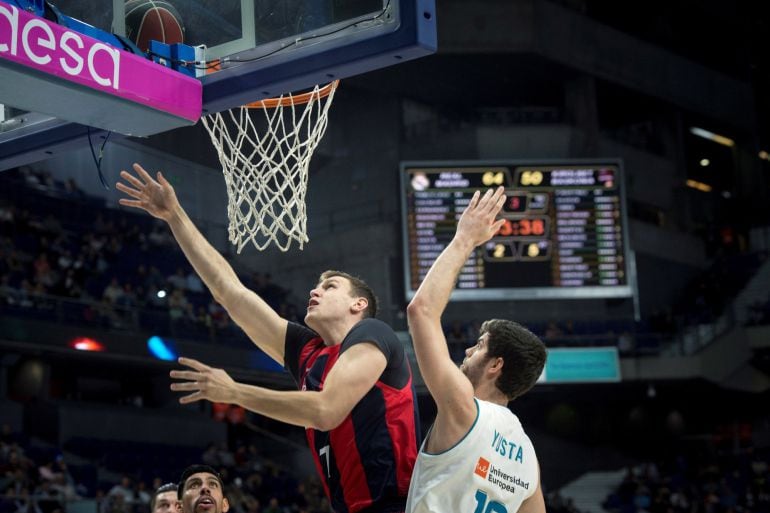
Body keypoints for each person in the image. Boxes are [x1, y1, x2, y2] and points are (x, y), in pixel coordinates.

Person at [116, 163, 420, 513]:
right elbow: (228, 292)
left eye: (329, 286)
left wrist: (234, 393)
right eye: (317, 285)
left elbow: (326, 411)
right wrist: (176, 216)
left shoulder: (373, 333)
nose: (315, 291)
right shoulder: (309, 353)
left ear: (359, 304)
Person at [404, 187, 547, 513]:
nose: (468, 350)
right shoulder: (527, 456)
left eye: (479, 345)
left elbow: (422, 311)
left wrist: (465, 238)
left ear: (495, 365)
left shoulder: (464, 410)